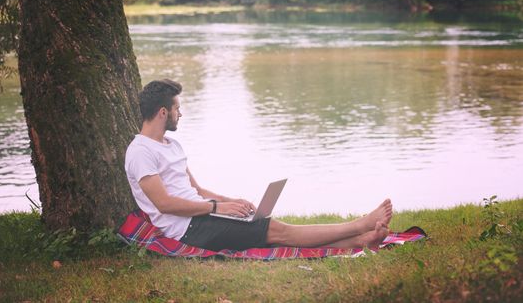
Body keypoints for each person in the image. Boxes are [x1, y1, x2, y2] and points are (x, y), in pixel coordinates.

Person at [125, 79, 393, 252]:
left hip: (204, 215)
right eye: (176, 109)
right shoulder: (140, 152)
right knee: (279, 231)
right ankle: (360, 226)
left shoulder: (172, 146)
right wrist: (218, 208)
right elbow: (165, 204)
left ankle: (360, 241)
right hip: (188, 228)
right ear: (163, 112)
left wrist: (233, 202)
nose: (179, 114)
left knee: (270, 227)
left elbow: (195, 189)